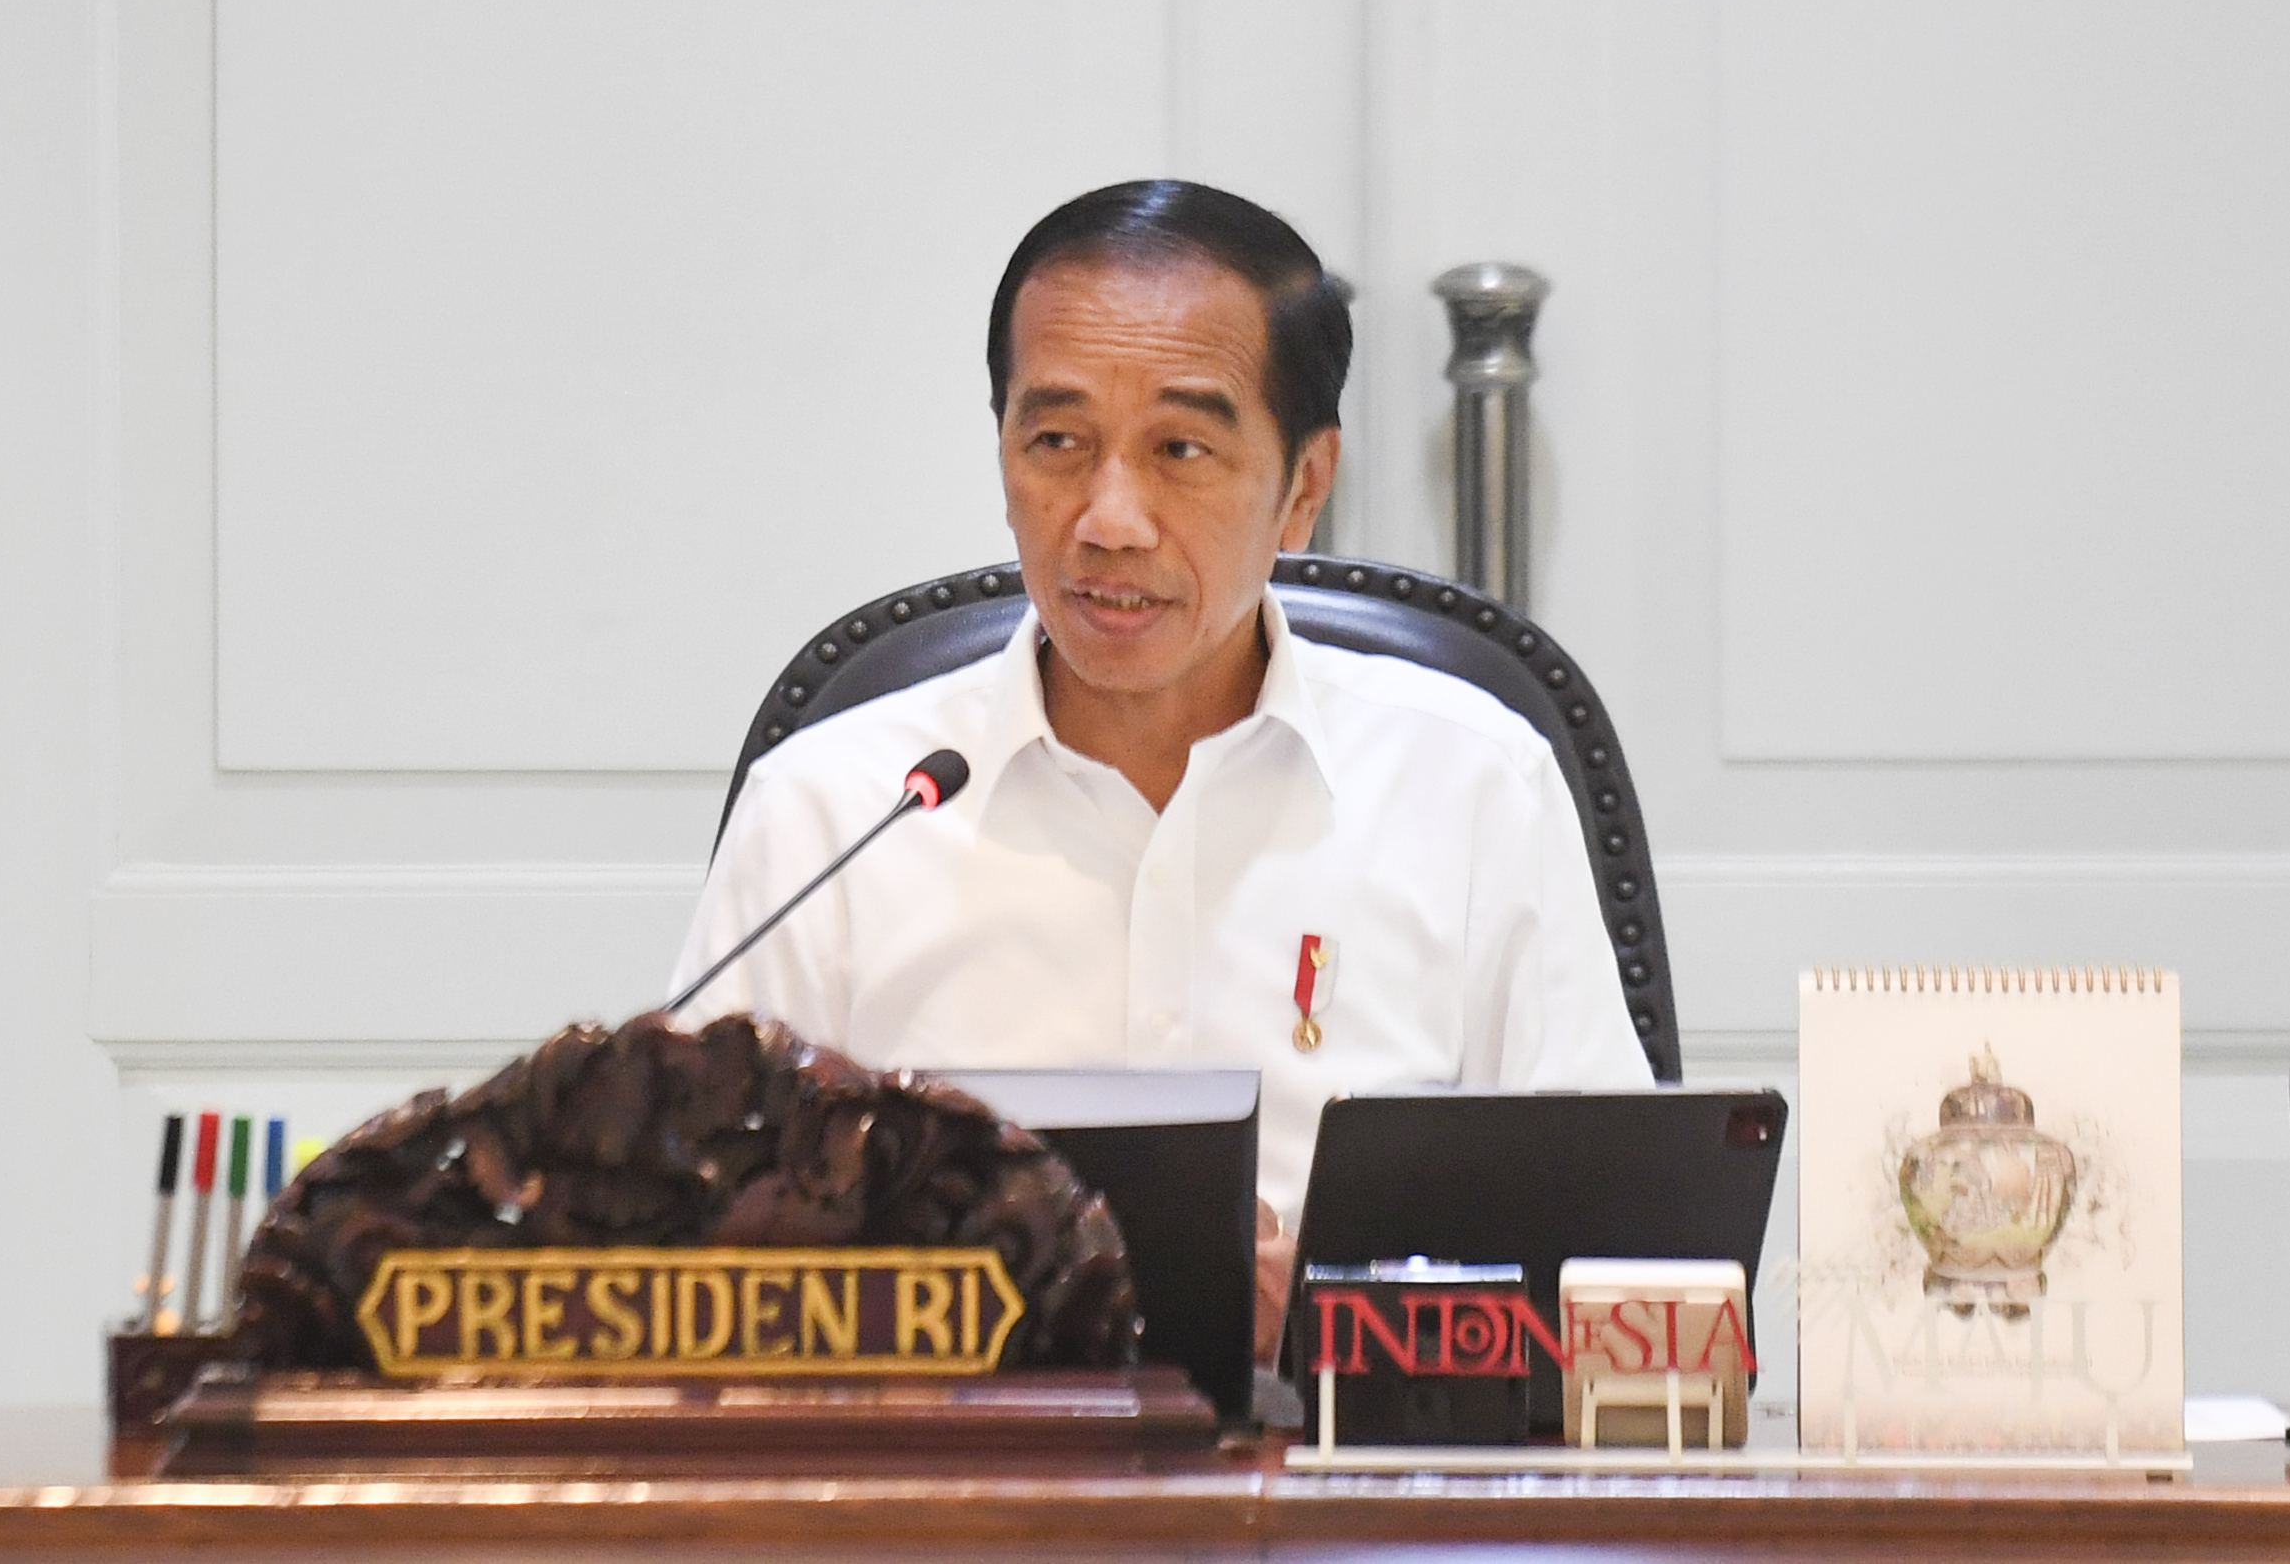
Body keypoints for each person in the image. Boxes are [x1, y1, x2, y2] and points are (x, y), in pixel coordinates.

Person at [671, 180, 1654, 1360]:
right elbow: (683, 1274)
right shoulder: (833, 810)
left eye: (1180, 448)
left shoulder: (1474, 783)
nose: (1108, 518)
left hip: (1353, 1502)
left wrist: (1347, 1314)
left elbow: (1631, 1283)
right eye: (1056, 443)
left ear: (1302, 484)